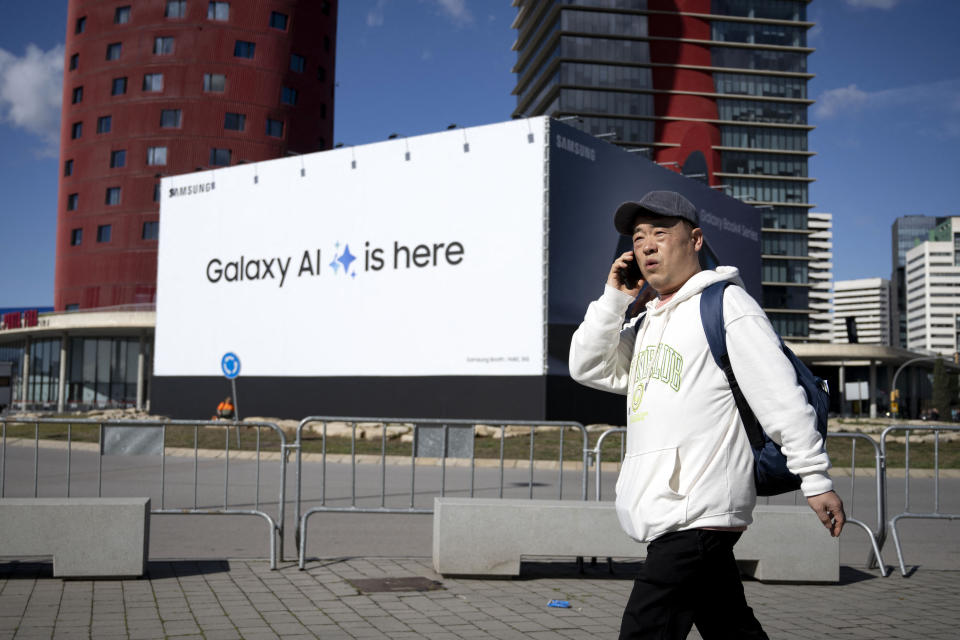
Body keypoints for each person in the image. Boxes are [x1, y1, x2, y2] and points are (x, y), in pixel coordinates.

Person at [569, 190, 845, 639]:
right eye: (638, 238)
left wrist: (815, 479)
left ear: (695, 240)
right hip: (669, 509)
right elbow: (588, 365)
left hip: (699, 508)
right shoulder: (645, 323)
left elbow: (781, 395)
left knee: (645, 628)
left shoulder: (726, 305)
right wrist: (612, 299)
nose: (647, 246)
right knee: (728, 625)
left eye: (661, 233)